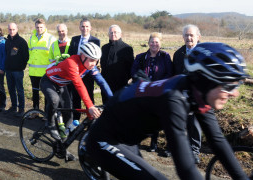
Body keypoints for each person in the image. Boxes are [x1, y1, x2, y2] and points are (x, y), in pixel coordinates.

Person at [86, 42, 250, 180]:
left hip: (128, 136)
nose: (235, 93)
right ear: (207, 81)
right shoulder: (174, 99)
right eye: (229, 86)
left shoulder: (196, 92)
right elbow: (185, 168)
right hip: (106, 138)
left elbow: (218, 142)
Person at [40, 42, 113, 161]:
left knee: (69, 117)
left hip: (61, 85)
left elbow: (102, 82)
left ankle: (62, 148)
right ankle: (50, 122)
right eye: (91, 60)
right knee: (54, 100)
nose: (94, 64)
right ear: (82, 56)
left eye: (96, 61)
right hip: (48, 82)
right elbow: (79, 85)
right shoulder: (71, 63)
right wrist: (89, 106)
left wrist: (113, 99)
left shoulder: (90, 66)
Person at [131, 32, 173, 152]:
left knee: (156, 117)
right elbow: (134, 72)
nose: (154, 44)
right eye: (152, 42)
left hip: (159, 91)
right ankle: (135, 140)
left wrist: (156, 85)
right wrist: (145, 83)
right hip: (143, 90)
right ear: (148, 43)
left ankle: (153, 143)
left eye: (157, 42)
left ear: (160, 43)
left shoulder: (165, 57)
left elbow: (169, 74)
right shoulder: (140, 57)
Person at [173, 24, 202, 163]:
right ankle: (180, 150)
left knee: (195, 125)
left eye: (191, 35)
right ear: (183, 37)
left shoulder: (204, 52)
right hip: (181, 94)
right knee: (180, 123)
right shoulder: (178, 54)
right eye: (186, 35)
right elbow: (175, 75)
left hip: (199, 95)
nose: (189, 38)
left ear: (198, 37)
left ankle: (194, 152)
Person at [68, 18, 100, 120]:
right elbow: (70, 55)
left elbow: (96, 58)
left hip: (88, 73)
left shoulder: (95, 41)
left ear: (90, 28)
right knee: (75, 97)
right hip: (75, 73)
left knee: (89, 96)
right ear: (79, 27)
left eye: (87, 26)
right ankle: (75, 121)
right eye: (83, 26)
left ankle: (90, 119)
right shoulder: (74, 39)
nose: (84, 28)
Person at [100, 25, 134, 103]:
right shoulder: (104, 48)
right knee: (106, 106)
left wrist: (124, 78)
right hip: (106, 83)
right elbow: (103, 64)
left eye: (115, 32)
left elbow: (130, 67)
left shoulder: (127, 48)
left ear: (120, 34)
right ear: (108, 34)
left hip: (120, 84)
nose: (113, 34)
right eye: (111, 32)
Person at [28, 19, 56, 110]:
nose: (39, 29)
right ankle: (35, 111)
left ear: (45, 27)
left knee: (46, 94)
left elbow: (54, 55)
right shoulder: (32, 38)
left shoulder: (51, 38)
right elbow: (29, 53)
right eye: (37, 27)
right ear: (35, 27)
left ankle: (46, 113)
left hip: (45, 72)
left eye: (41, 27)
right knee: (35, 93)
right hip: (33, 71)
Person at [4, 23, 29, 117]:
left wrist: (21, 66)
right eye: (10, 29)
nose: (11, 31)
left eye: (13, 29)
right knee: (11, 89)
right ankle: (13, 107)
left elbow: (26, 56)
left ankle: (21, 109)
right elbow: (7, 54)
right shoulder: (7, 41)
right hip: (9, 70)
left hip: (18, 71)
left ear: (17, 29)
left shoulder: (22, 41)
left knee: (19, 90)